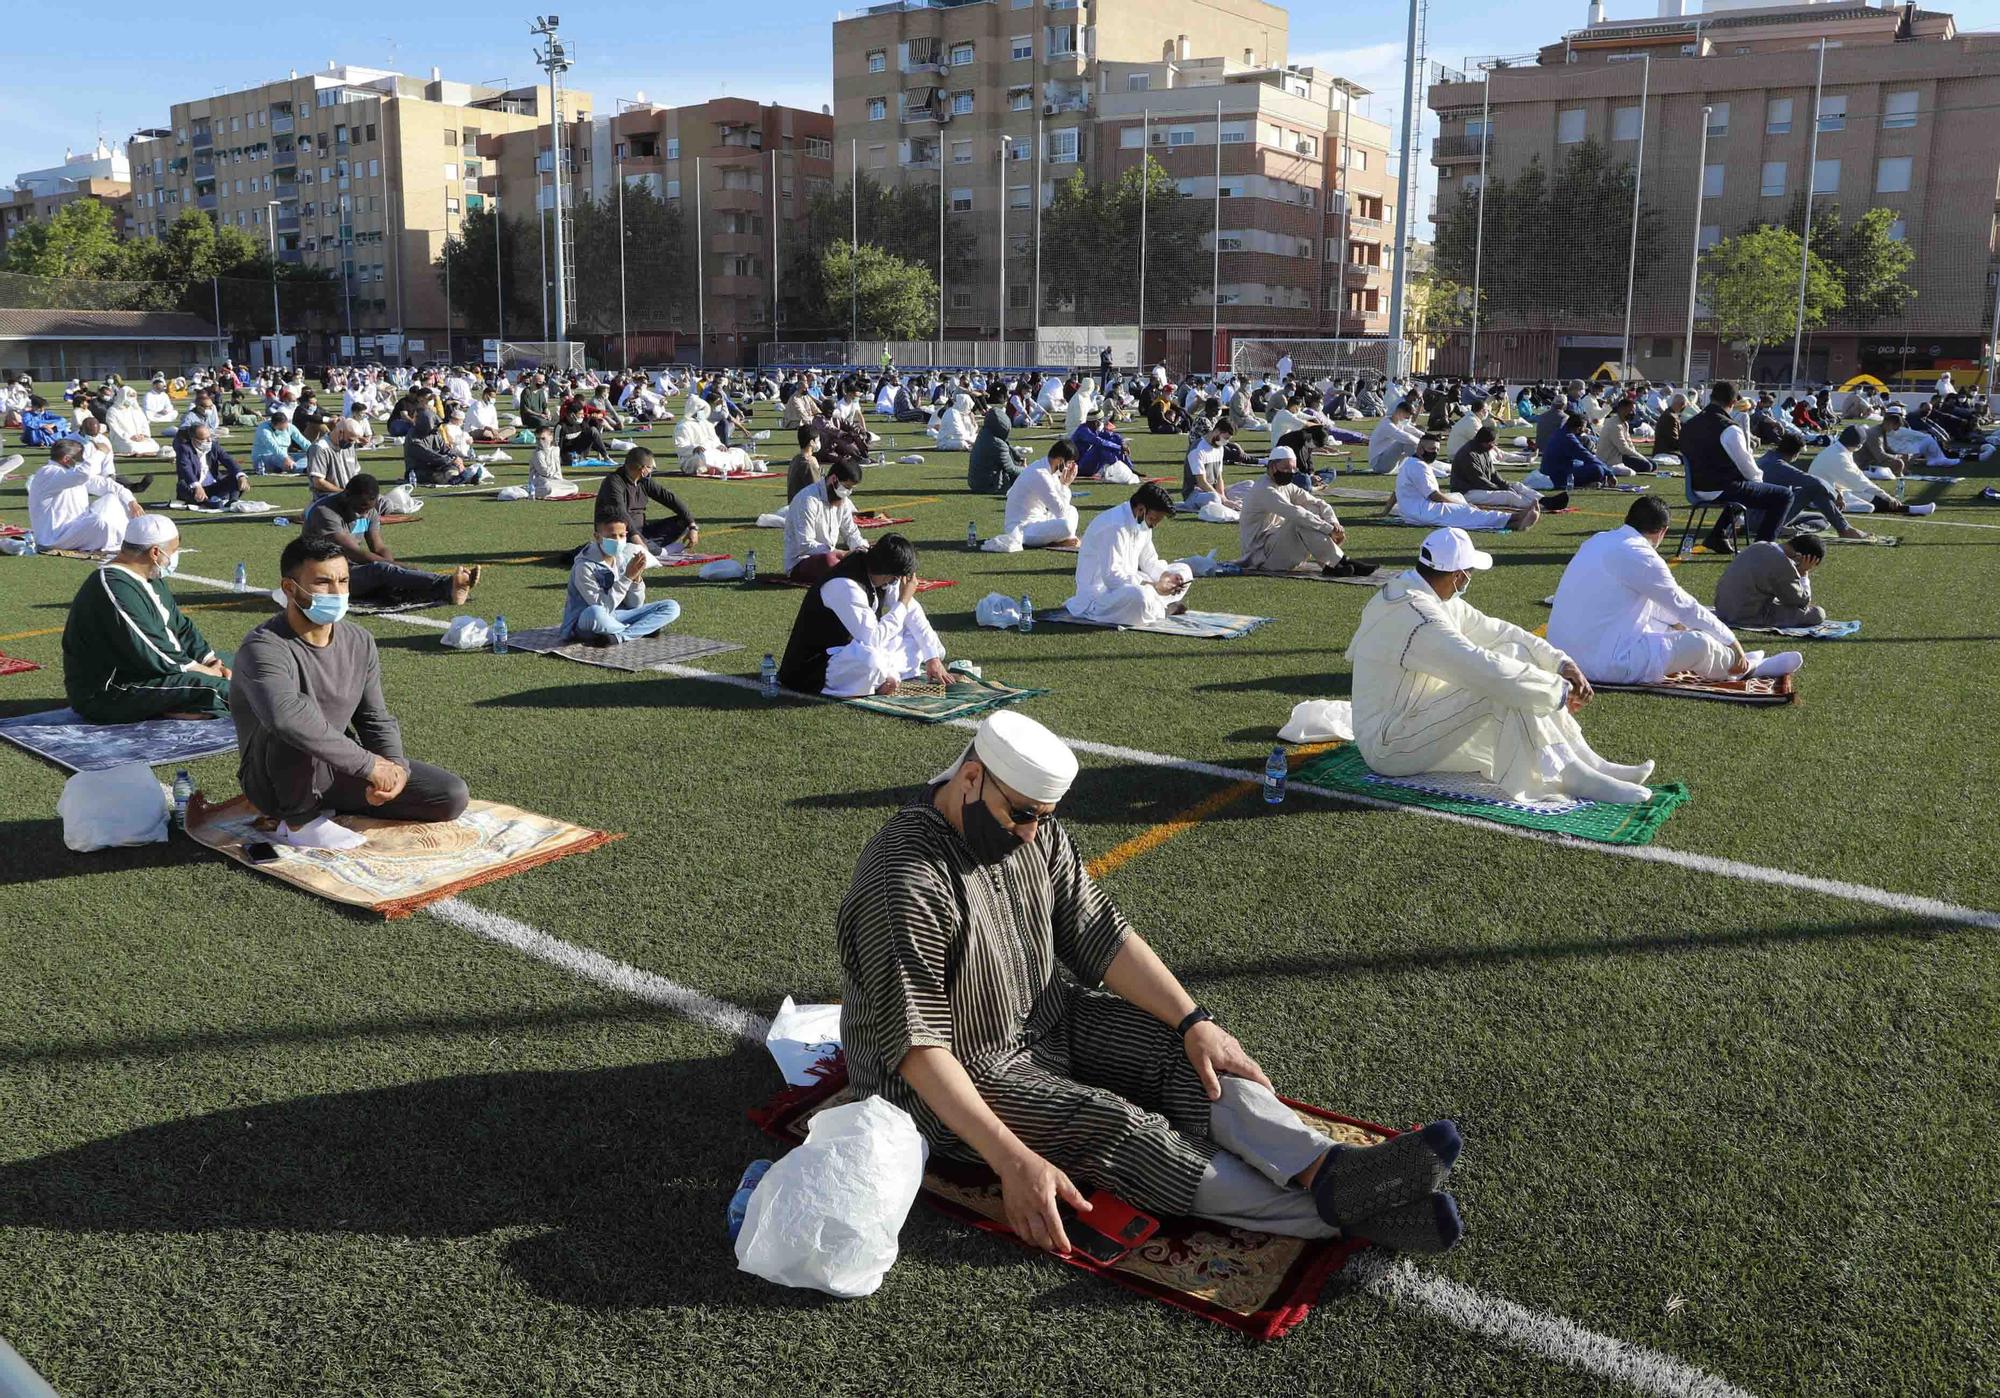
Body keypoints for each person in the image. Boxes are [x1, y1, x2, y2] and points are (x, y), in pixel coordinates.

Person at [836, 708, 1465, 1253]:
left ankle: (1331, 1171)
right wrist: (1012, 1159)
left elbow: (1098, 932)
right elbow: (919, 1048)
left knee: (1189, 1059)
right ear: (970, 778)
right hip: (960, 1073)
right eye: (1022, 815)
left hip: (1049, 1017)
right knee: (1120, 1128)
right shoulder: (906, 879)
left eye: (1042, 818)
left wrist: (1195, 1022)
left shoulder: (1036, 832)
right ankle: (1336, 1221)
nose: (1032, 832)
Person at [1346, 527, 1660, 806]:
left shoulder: (1425, 593)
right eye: (1468, 572)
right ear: (1457, 575)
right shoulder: (1419, 617)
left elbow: (1499, 631)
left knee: (1512, 655)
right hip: (1389, 744)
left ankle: (1585, 760)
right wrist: (1557, 690)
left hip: (1414, 716)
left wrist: (1560, 662)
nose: (1469, 579)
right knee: (1498, 683)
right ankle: (1568, 771)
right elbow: (1485, 670)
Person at [230, 536, 471, 851]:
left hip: (337, 766)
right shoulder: (263, 647)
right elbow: (284, 718)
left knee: (448, 796)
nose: (337, 592)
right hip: (273, 780)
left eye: (342, 581)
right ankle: (300, 821)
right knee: (299, 713)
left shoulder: (360, 641)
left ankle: (330, 805)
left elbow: (373, 716)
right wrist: (370, 766)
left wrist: (395, 768)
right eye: (322, 583)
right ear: (289, 588)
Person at [1547, 497, 1799, 684]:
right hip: (1601, 664)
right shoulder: (1641, 554)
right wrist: (1731, 641)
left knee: (1670, 625)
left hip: (1564, 654)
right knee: (1699, 643)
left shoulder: (1599, 539)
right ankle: (1747, 668)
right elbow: (1683, 605)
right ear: (1662, 532)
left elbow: (1660, 605)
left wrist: (1679, 624)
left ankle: (1731, 657)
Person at [61, 513, 231, 722]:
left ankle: (185, 704)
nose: (174, 557)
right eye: (174, 551)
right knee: (225, 688)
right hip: (109, 692)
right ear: (155, 552)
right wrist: (204, 671)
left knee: (242, 662)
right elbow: (152, 648)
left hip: (150, 671)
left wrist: (210, 660)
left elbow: (180, 627)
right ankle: (189, 704)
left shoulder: (150, 576)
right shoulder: (113, 588)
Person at [777, 532, 946, 697]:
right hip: (817, 665)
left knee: (919, 640)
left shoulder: (877, 572)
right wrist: (902, 601)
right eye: (896, 579)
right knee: (871, 660)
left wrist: (933, 658)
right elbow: (872, 639)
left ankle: (880, 678)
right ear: (890, 575)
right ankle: (880, 678)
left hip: (855, 648)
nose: (896, 583)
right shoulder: (845, 585)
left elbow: (912, 611)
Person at [302, 475, 478, 607]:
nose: (364, 512)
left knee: (391, 575)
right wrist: (398, 566)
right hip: (322, 575)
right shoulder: (325, 512)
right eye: (360, 507)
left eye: (368, 508)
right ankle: (447, 583)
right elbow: (353, 551)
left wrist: (394, 565)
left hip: (349, 569)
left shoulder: (369, 509)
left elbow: (378, 546)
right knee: (383, 570)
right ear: (347, 495)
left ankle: (451, 590)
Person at [1682, 382, 1795, 553]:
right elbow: (1748, 468)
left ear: (1711, 398)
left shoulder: (1690, 424)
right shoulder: (1729, 429)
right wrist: (1758, 482)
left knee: (1742, 486)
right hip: (1721, 488)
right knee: (1784, 495)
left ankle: (1718, 536)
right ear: (1733, 402)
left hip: (1696, 487)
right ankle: (1761, 549)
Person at [1065, 483, 1194, 625]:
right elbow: (1112, 578)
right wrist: (1154, 586)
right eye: (1153, 519)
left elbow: (1149, 561)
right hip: (1099, 597)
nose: (1155, 525)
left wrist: (1167, 578)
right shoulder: (1114, 526)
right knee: (1140, 596)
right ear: (1141, 509)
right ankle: (1160, 609)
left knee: (1184, 571)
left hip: (1132, 582)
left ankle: (1156, 605)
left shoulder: (1142, 522)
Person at [1237, 446, 1373, 578]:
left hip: (1276, 546)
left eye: (1293, 468)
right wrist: (1329, 529)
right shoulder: (1264, 489)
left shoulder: (1285, 486)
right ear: (1272, 467)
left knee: (1311, 510)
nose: (1290, 472)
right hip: (1261, 558)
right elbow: (1295, 513)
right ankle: (1339, 562)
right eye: (1285, 468)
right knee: (1300, 519)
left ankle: (1333, 564)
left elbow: (1318, 503)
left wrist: (1334, 523)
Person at [560, 511, 683, 645]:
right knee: (596, 613)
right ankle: (641, 629)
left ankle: (620, 636)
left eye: (622, 535)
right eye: (612, 536)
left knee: (671, 606)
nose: (618, 541)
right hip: (587, 622)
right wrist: (627, 578)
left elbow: (634, 605)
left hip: (620, 616)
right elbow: (602, 606)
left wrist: (636, 580)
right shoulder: (584, 566)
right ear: (597, 537)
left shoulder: (623, 558)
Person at [1397, 433, 1536, 532]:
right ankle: (1514, 519)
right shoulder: (1419, 466)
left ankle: (1514, 520)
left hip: (1414, 509)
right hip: (1421, 512)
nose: (1435, 453)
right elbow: (1435, 496)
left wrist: (1385, 512)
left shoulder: (1410, 462)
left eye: (1437, 450)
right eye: (1432, 449)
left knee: (1460, 500)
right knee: (1467, 512)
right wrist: (1461, 505)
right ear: (1420, 449)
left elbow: (1396, 491)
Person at [1755, 432, 1870, 541]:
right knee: (1814, 489)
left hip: (1762, 514)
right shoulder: (1778, 465)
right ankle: (1845, 529)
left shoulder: (1768, 458)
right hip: (1762, 519)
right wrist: (1836, 494)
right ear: (1796, 453)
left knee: (1822, 520)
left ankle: (1786, 529)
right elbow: (1815, 483)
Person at [592, 446, 698, 558]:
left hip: (643, 531)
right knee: (630, 545)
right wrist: (637, 539)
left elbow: (670, 499)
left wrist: (692, 526)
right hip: (622, 534)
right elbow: (621, 513)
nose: (652, 470)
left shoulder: (644, 481)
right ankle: (661, 552)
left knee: (683, 520)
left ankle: (650, 547)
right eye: (651, 467)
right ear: (643, 470)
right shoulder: (613, 482)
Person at [1715, 533, 1828, 632]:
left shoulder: (1759, 545)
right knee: (1817, 613)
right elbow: (1801, 601)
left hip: (1722, 608)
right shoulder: (1783, 565)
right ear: (1800, 557)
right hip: (1745, 615)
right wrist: (1803, 573)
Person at [1809, 426, 1930, 516]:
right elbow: (1861, 482)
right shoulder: (1840, 457)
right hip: (1820, 497)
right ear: (1858, 445)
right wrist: (1888, 497)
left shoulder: (1839, 449)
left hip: (1831, 490)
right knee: (1868, 507)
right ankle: (1828, 507)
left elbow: (1859, 477)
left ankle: (1908, 508)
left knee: (1867, 495)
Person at [784, 459, 868, 584]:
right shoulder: (808, 500)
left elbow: (851, 533)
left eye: (851, 489)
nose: (848, 492)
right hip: (802, 561)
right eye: (846, 487)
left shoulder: (843, 501)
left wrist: (863, 549)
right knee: (829, 560)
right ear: (834, 479)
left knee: (871, 552)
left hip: (833, 556)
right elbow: (805, 544)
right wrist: (841, 554)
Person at [1451, 426, 1559, 513]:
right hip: (1466, 493)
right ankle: (1539, 506)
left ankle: (1545, 500)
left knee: (1517, 485)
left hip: (1479, 487)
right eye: (1492, 443)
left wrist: (1505, 485)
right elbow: (1479, 481)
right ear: (1484, 442)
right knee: (1508, 496)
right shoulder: (1469, 455)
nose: (1493, 445)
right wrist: (1501, 489)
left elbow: (1493, 473)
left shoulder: (1482, 450)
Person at [1001, 440, 1083, 549]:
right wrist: (1065, 485)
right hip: (1022, 528)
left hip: (1039, 519)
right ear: (1061, 461)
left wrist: (1063, 485)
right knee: (1066, 526)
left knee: (1072, 510)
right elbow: (1060, 512)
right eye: (1069, 463)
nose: (1070, 468)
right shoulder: (1040, 474)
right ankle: (1061, 539)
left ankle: (1063, 538)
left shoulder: (1048, 470)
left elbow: (1062, 506)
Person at [172, 422, 249, 507]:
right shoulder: (184, 449)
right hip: (194, 487)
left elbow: (228, 460)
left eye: (210, 437)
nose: (209, 440)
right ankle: (208, 502)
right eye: (205, 439)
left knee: (236, 477)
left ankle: (233, 501)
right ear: (194, 439)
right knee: (183, 486)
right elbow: (186, 469)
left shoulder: (214, 445)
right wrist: (197, 486)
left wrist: (240, 475)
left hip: (213, 485)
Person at [969, 391, 1026, 494]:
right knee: (1025, 481)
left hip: (975, 483)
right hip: (989, 485)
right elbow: (1011, 469)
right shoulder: (997, 444)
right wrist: (1026, 470)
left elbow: (1007, 446)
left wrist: (1017, 456)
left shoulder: (984, 433)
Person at [1070, 406, 1134, 478]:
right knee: (1101, 448)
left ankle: (1129, 469)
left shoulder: (1094, 428)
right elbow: (1099, 442)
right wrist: (1119, 447)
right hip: (1078, 466)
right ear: (1096, 422)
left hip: (1086, 463)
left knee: (1115, 443)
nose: (1102, 423)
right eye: (1101, 420)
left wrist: (1122, 443)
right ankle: (1121, 469)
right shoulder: (1083, 430)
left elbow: (1112, 436)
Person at [303, 417, 360, 496]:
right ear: (340, 432)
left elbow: (355, 473)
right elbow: (318, 482)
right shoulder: (320, 448)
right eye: (350, 440)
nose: (352, 443)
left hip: (348, 497)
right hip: (328, 499)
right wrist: (343, 492)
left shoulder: (349, 446)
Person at [1596, 399, 1653, 474]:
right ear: (1622, 410)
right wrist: (1641, 458)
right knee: (1647, 466)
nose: (1633, 413)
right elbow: (1624, 448)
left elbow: (1629, 444)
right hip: (1610, 459)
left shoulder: (1624, 423)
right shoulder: (1614, 425)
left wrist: (1639, 456)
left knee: (1653, 464)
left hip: (1620, 455)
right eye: (1631, 410)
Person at [1183, 421, 1233, 507]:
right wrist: (1222, 499)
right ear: (1217, 431)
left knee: (1249, 485)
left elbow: (1219, 477)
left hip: (1213, 491)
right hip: (1195, 493)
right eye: (1225, 438)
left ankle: (1228, 503)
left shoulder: (1219, 448)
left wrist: (1223, 496)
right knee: (1215, 498)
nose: (1226, 442)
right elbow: (1202, 483)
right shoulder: (1197, 449)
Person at [105, 386, 163, 458]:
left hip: (140, 438)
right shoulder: (113, 411)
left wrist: (143, 435)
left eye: (133, 397)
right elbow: (115, 428)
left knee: (154, 445)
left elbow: (144, 424)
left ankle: (141, 452)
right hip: (123, 439)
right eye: (129, 397)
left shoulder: (136, 410)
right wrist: (130, 437)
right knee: (131, 447)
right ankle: (141, 452)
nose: (131, 400)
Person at [1367, 399, 1422, 474]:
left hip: (1387, 461)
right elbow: (1406, 437)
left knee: (1411, 442)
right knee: (1406, 442)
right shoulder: (1387, 425)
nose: (1407, 420)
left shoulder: (1399, 421)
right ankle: (1420, 467)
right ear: (1399, 412)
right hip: (1379, 465)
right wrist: (1423, 443)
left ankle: (1420, 465)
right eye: (1406, 417)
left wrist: (1427, 437)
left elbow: (1412, 430)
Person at [786, 425, 823, 502]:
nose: (819, 442)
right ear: (812, 442)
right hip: (805, 507)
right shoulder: (808, 463)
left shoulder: (795, 459)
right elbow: (817, 490)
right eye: (818, 440)